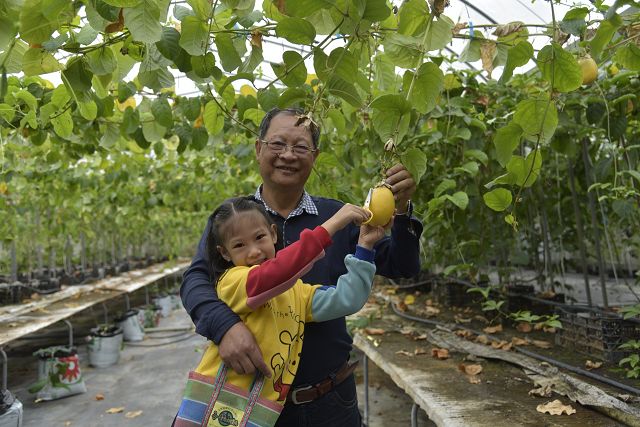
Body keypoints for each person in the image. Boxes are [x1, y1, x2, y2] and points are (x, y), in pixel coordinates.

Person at [181, 107, 422, 427]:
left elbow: (402, 266)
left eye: (300, 147)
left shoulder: (338, 216)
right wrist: (225, 326)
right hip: (253, 401)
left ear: (315, 156)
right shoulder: (232, 220)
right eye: (278, 144)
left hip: (330, 400)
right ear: (258, 149)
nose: (288, 155)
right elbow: (196, 279)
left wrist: (402, 211)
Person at [175, 197, 385, 426]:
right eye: (239, 245)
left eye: (259, 237)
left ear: (273, 235)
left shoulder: (297, 292)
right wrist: (332, 225)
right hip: (219, 398)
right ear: (225, 254)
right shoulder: (233, 282)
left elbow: (347, 299)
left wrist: (365, 247)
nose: (254, 251)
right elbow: (274, 274)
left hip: (261, 408)